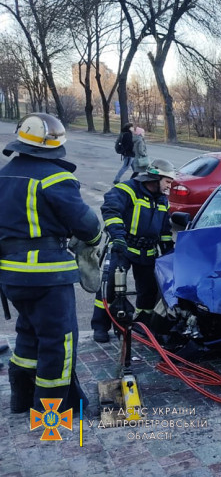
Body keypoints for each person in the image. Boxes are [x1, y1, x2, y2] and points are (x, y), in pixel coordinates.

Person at [0, 113, 102, 414]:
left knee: (29, 333)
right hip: (45, 276)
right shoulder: (55, 178)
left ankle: (21, 399)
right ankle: (53, 412)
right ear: (54, 146)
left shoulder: (3, 176)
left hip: (11, 276)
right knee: (60, 341)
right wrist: (94, 241)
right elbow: (86, 225)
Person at [91, 159, 176, 343]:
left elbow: (165, 230)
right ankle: (100, 326)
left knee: (148, 291)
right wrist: (118, 236)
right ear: (155, 178)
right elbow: (110, 210)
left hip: (147, 251)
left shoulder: (162, 200)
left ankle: (142, 324)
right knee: (110, 287)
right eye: (167, 181)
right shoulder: (128, 190)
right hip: (124, 248)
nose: (170, 186)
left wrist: (169, 251)